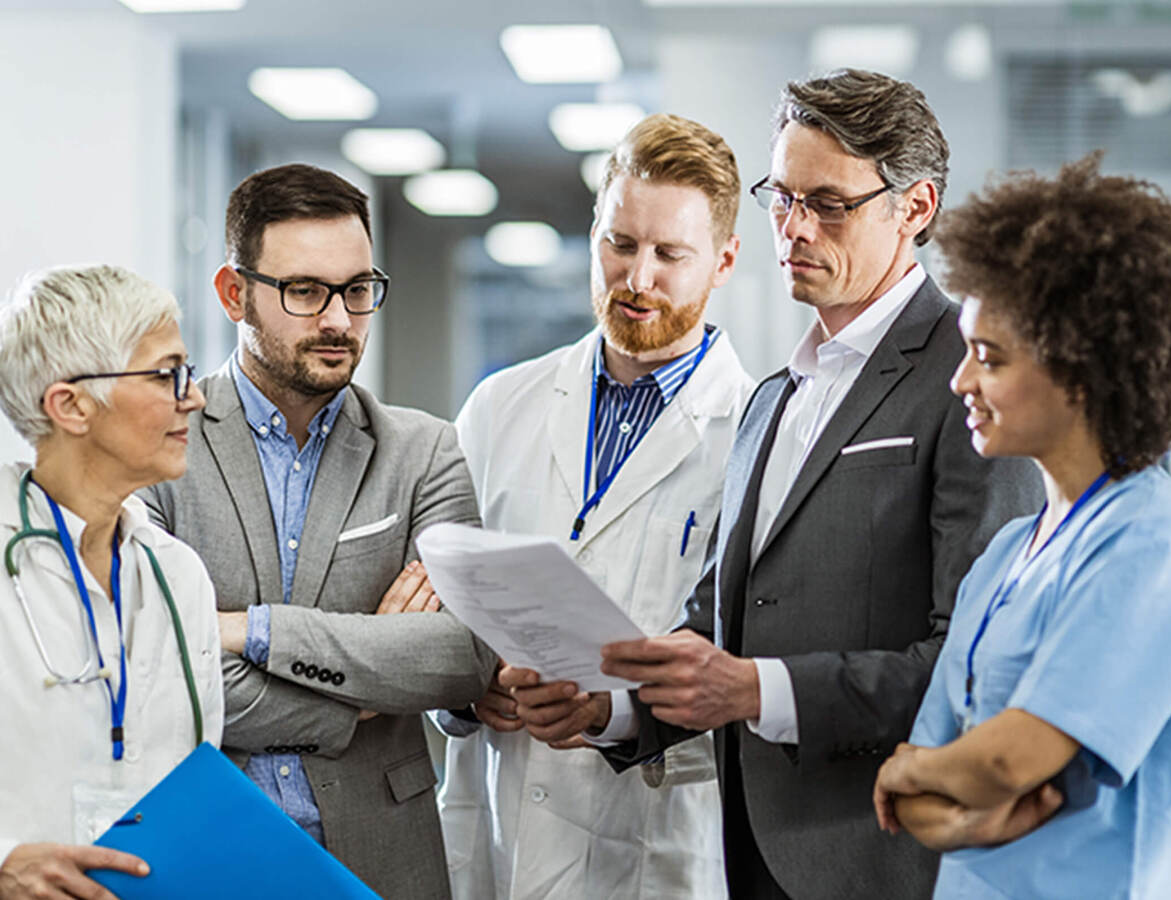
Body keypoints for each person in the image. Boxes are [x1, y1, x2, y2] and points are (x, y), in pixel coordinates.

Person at [503, 69, 1042, 899]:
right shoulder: (771, 399)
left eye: (828, 203)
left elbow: (970, 664)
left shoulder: (969, 383)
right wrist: (608, 710)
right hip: (747, 857)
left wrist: (760, 690)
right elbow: (711, 632)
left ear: (917, 207)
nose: (794, 228)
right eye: (782, 197)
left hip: (886, 861)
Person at [140, 163, 495, 899]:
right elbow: (155, 669)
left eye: (358, 290)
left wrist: (249, 631)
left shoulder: (424, 452)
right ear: (235, 293)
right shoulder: (159, 447)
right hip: (204, 855)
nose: (339, 319)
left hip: (381, 859)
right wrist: (364, 693)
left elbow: (464, 657)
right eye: (304, 291)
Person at [437, 113, 754, 899]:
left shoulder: (758, 432)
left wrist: (609, 710)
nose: (637, 278)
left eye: (669, 254)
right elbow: (438, 599)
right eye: (619, 243)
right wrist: (466, 689)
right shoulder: (498, 406)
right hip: (502, 817)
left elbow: (745, 661)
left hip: (655, 839)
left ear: (724, 261)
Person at [872, 156, 1171, 898]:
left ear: (1083, 369)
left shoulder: (1153, 539)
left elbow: (1002, 761)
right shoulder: (1005, 556)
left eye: (989, 358)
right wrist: (950, 810)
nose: (961, 382)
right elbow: (938, 778)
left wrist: (908, 772)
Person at [0, 264, 224, 900]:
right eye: (165, 374)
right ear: (70, 405)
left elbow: (196, 782)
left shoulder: (178, 576)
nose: (195, 396)